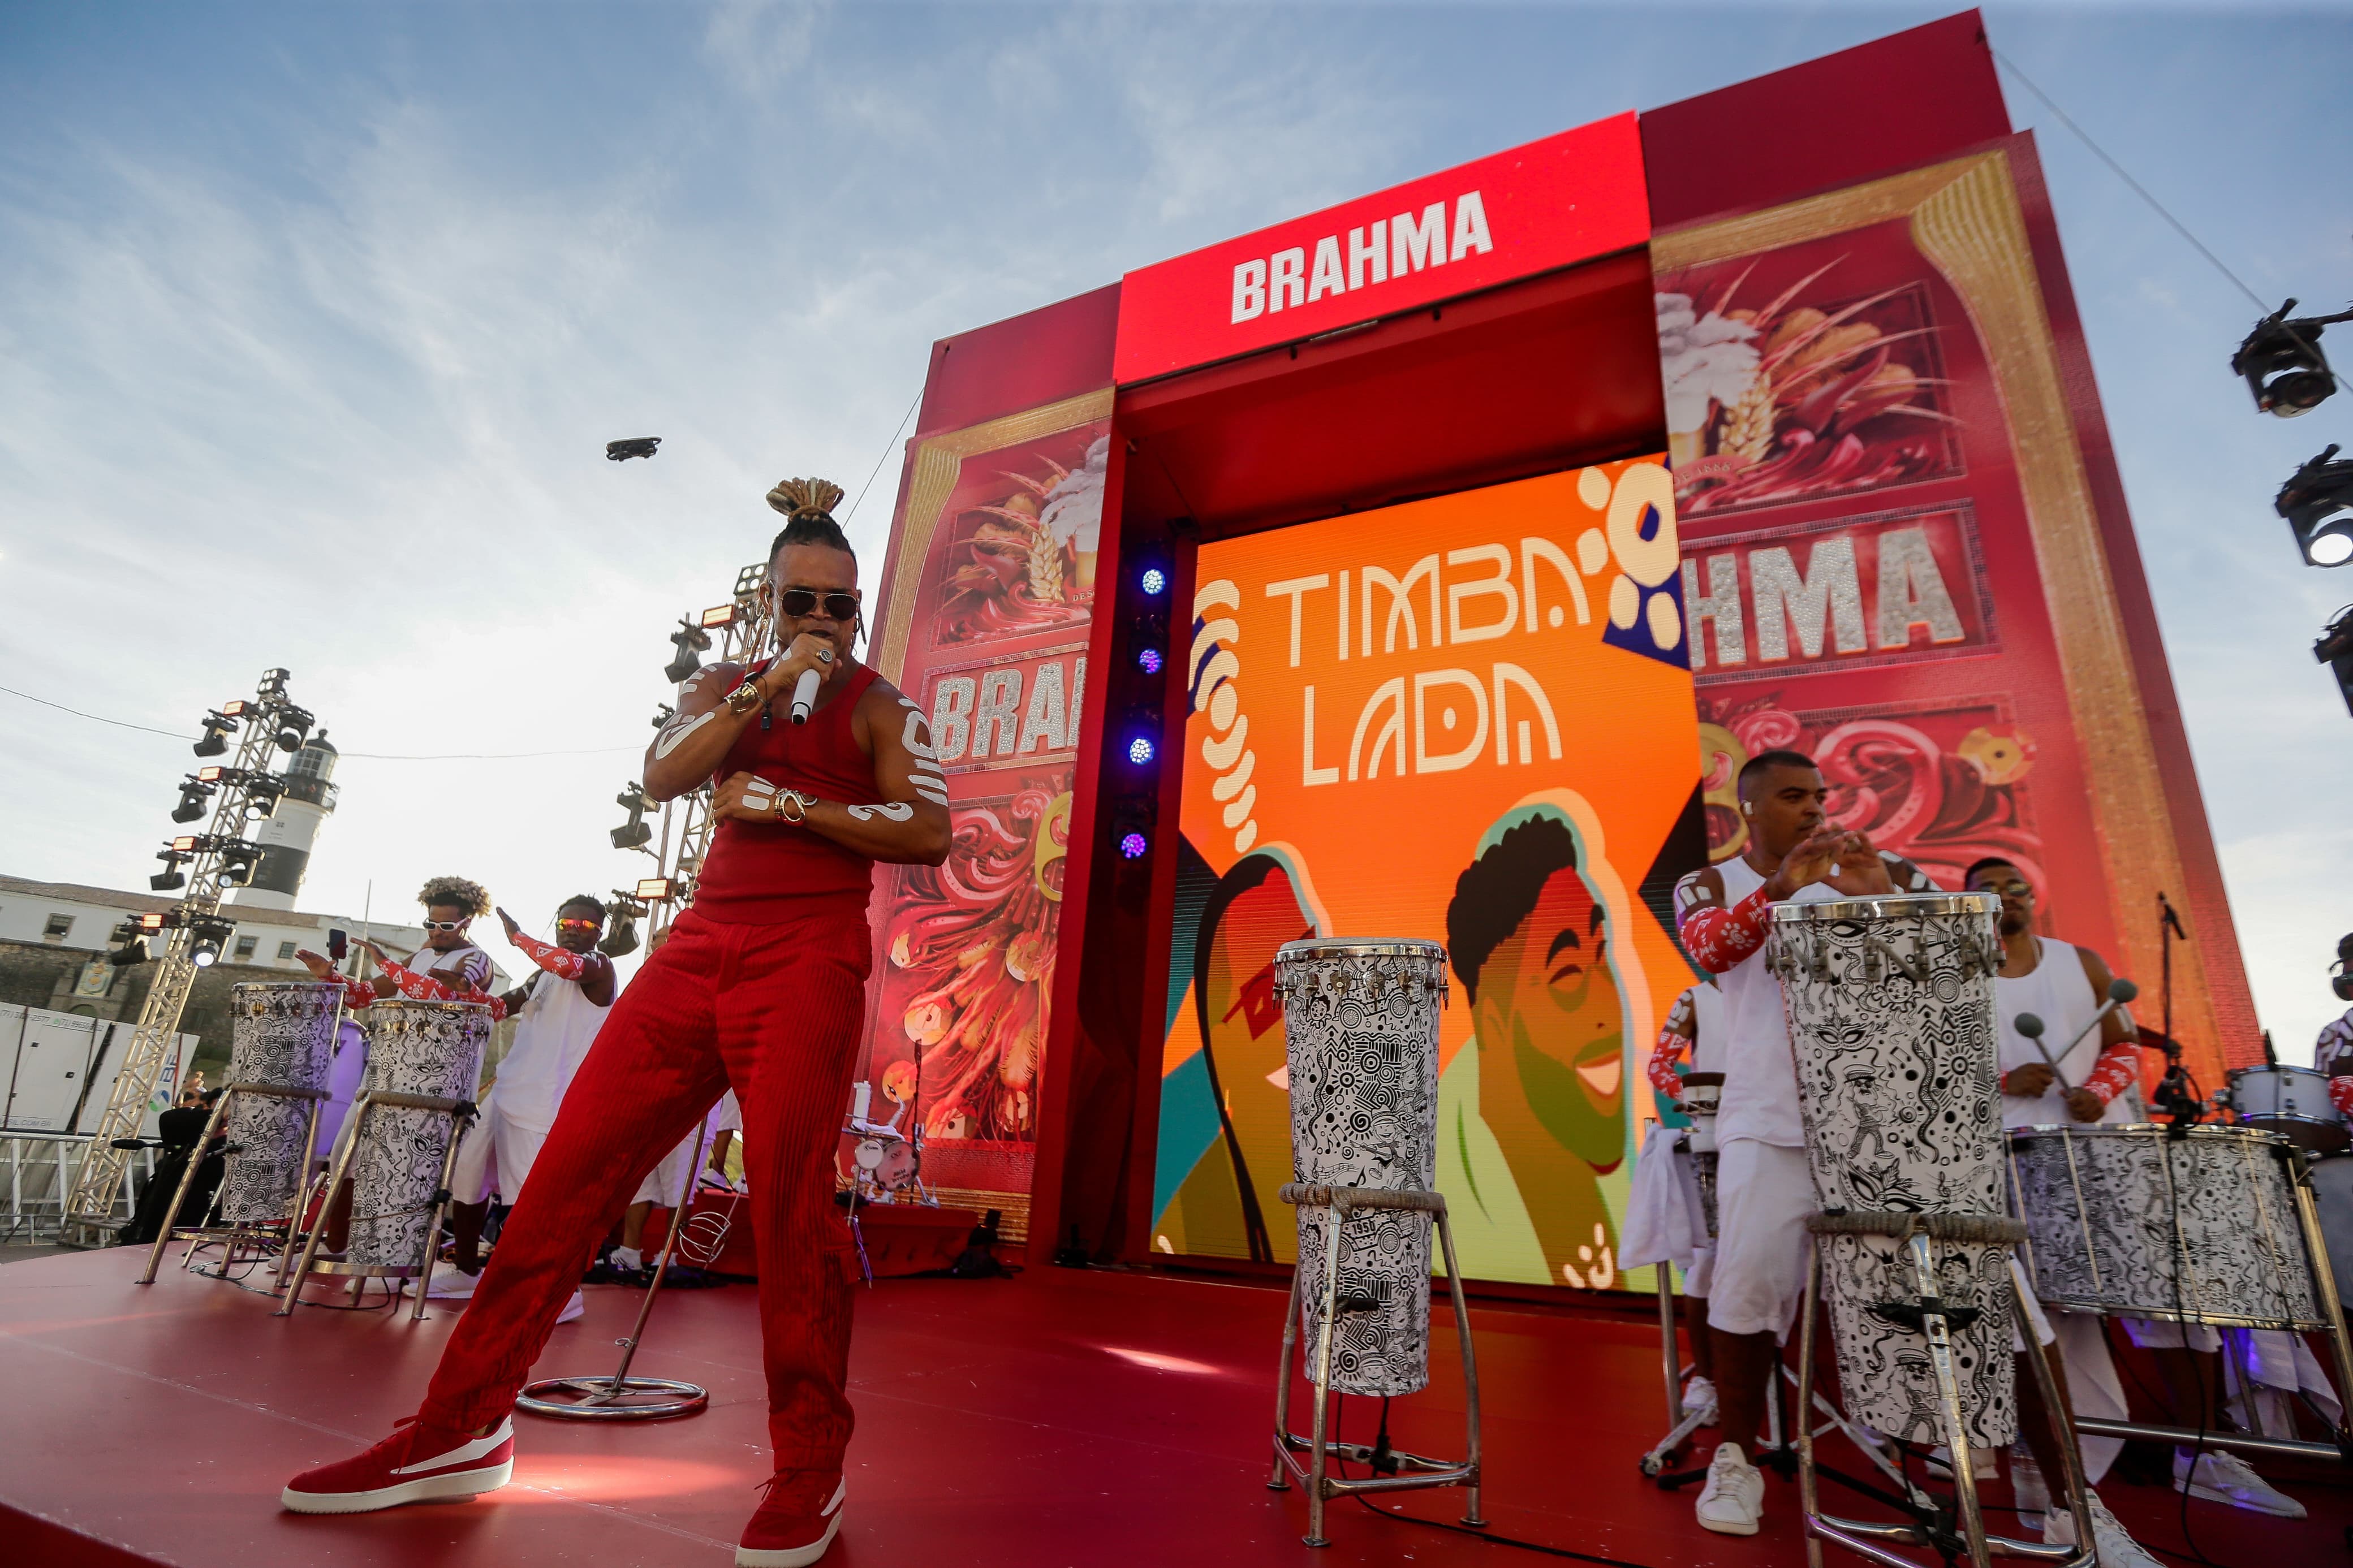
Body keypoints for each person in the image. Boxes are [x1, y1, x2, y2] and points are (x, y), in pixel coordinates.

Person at [281, 479, 949, 1568]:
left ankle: (808, 1464)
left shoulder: (883, 705)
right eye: (803, 602)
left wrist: (788, 803)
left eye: (841, 604)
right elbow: (663, 773)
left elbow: (928, 828)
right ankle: (457, 1427)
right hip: (698, 948)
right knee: (561, 1183)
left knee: (794, 1212)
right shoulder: (723, 686)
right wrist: (763, 686)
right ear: (771, 604)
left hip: (807, 957)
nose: (824, 621)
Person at [1671, 753, 2162, 1564]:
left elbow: (1980, 950)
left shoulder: (1888, 869)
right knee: (1748, 1281)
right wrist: (1782, 889)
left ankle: (2074, 1506)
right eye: (1792, 797)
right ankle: (1734, 1457)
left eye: (1818, 795)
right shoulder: (1710, 882)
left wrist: (1882, 894)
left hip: (1904, 1121)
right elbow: (1711, 949)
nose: (1813, 809)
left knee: (1998, 1296)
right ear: (1748, 807)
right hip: (1773, 1119)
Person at [1438, 812, 1628, 1289]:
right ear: (1493, 1024)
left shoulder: (1645, 1165)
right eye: (1567, 973)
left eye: (1601, 953)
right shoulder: (1434, 1218)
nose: (1607, 1006)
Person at [417, 897, 618, 1324]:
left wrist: (518, 937)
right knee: (467, 1175)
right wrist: (464, 990)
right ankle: (467, 1271)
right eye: (566, 921)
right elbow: (499, 1008)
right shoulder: (543, 973)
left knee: (534, 1202)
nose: (572, 928)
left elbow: (569, 965)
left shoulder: (599, 967)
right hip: (508, 1089)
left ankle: (561, 1293)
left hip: (547, 1101)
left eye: (584, 924)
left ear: (599, 932)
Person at [1632, 978, 1722, 1415]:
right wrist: (1702, 1100)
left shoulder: (1781, 989)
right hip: (1715, 1143)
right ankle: (1707, 1377)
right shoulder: (1696, 999)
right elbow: (1660, 1066)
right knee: (1707, 1261)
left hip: (1778, 1139)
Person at [614, 1091, 743, 1275]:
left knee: (681, 1192)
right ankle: (629, 1253)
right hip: (655, 1113)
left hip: (692, 1120)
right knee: (641, 1187)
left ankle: (668, 1257)